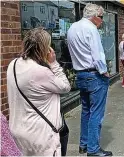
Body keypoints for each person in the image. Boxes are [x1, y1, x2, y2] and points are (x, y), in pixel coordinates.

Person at [6, 28, 71, 156]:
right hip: (41, 135)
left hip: (18, 130)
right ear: (44, 48)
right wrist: (53, 63)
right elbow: (65, 87)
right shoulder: (41, 72)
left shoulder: (12, 65)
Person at [67, 3, 113, 156]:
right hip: (94, 74)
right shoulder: (91, 29)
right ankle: (93, 149)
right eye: (101, 17)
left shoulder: (72, 27)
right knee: (96, 113)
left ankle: (84, 144)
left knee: (86, 111)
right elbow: (97, 54)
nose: (102, 20)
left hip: (80, 73)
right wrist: (104, 71)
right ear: (94, 17)